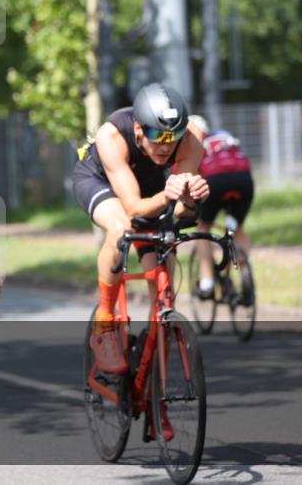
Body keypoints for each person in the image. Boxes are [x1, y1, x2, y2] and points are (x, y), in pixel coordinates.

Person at [71, 83, 209, 377]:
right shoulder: (112, 136)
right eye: (156, 135)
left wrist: (192, 197)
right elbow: (133, 208)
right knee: (121, 229)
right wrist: (170, 196)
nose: (165, 145)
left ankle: (152, 366)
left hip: (151, 188)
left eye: (172, 137)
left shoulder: (192, 139)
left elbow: (182, 213)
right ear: (137, 129)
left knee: (163, 272)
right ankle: (105, 324)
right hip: (100, 180)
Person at [186, 115, 254, 298]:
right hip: (243, 179)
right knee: (236, 228)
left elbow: (188, 177)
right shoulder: (223, 135)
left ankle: (207, 282)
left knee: (203, 227)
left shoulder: (190, 142)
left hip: (215, 180)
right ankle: (245, 275)